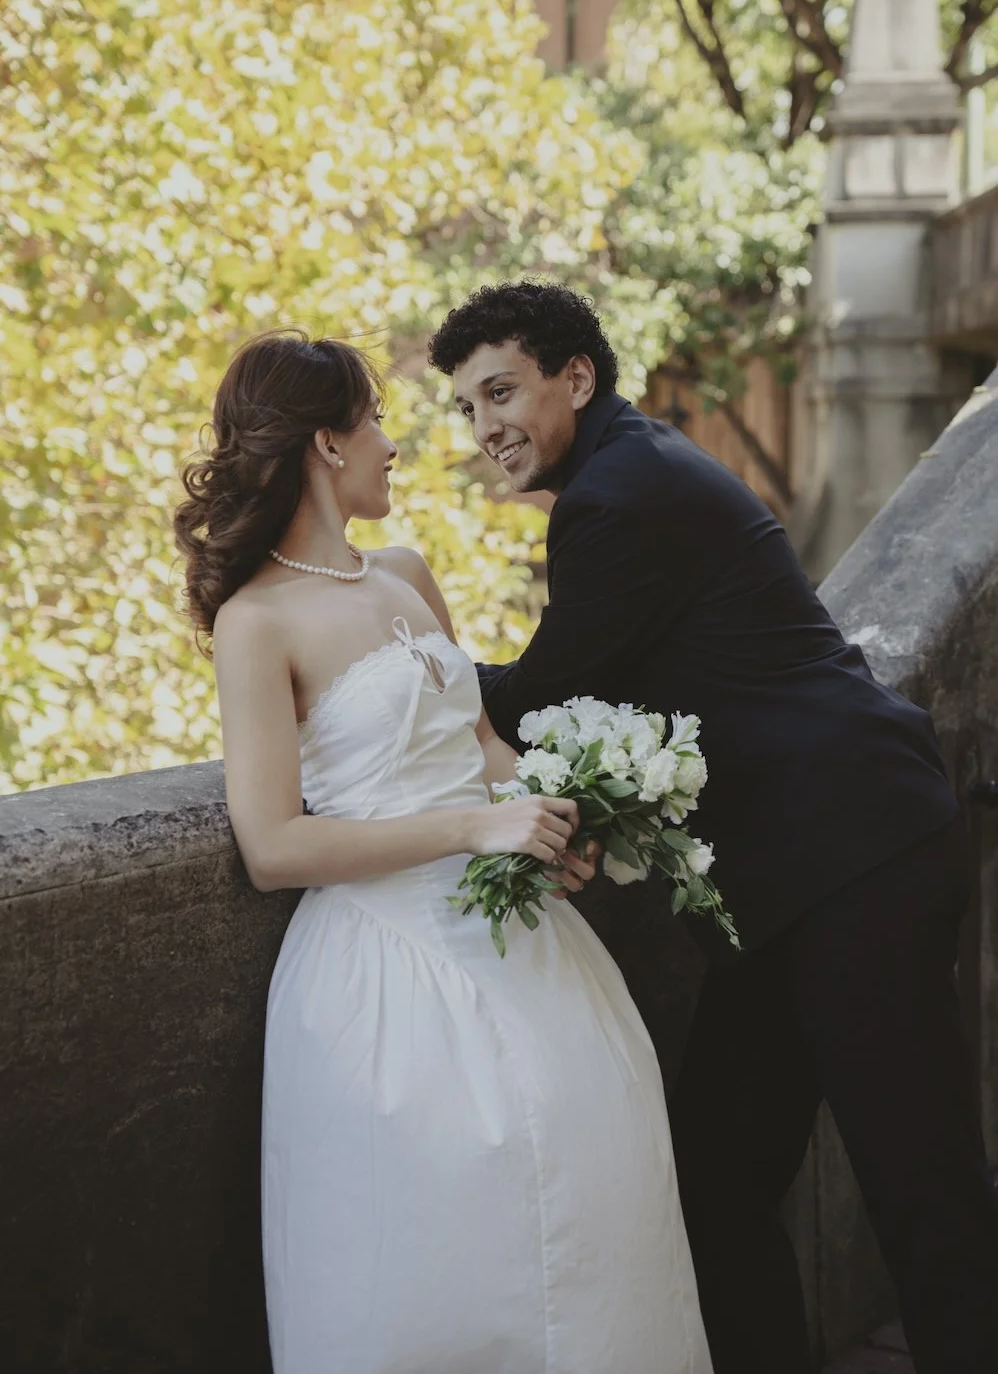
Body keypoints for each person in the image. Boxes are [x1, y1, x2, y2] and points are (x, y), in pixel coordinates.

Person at [428, 279, 998, 1374]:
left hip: (853, 858)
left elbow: (544, 694)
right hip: (782, 882)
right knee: (715, 1173)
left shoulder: (617, 494)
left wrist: (407, 668)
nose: (483, 425)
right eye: (465, 407)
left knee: (917, 1184)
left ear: (575, 376)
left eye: (499, 390)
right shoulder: (628, 469)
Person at [173, 329, 713, 1374]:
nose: (394, 442)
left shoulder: (406, 572)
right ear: (326, 444)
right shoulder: (256, 622)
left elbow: (477, 745)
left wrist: (555, 810)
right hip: (384, 971)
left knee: (597, 1197)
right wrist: (474, 825)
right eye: (375, 417)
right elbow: (274, 843)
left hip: (523, 944)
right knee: (437, 1263)